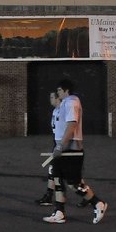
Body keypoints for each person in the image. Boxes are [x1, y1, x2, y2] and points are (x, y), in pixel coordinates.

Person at [43, 80, 108, 224]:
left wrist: (60, 146)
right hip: (63, 147)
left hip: (71, 149)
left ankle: (98, 203)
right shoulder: (65, 104)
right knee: (56, 177)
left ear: (66, 90)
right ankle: (59, 211)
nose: (58, 93)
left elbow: (72, 125)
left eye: (59, 90)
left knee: (74, 183)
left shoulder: (72, 102)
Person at [36, 90, 63, 206]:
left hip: (62, 145)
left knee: (71, 176)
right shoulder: (55, 111)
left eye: (52, 97)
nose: (50, 100)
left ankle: (89, 197)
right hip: (56, 143)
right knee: (53, 170)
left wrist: (60, 146)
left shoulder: (63, 111)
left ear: (57, 98)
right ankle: (49, 195)